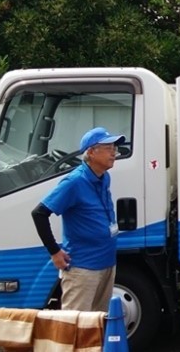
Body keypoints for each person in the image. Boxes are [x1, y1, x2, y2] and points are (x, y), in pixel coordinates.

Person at [30, 127, 125, 312]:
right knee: (76, 327)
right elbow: (39, 214)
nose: (114, 152)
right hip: (83, 268)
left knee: (98, 325)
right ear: (91, 152)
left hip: (107, 263)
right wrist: (55, 252)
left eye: (114, 147)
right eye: (108, 148)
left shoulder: (104, 177)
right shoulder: (74, 182)